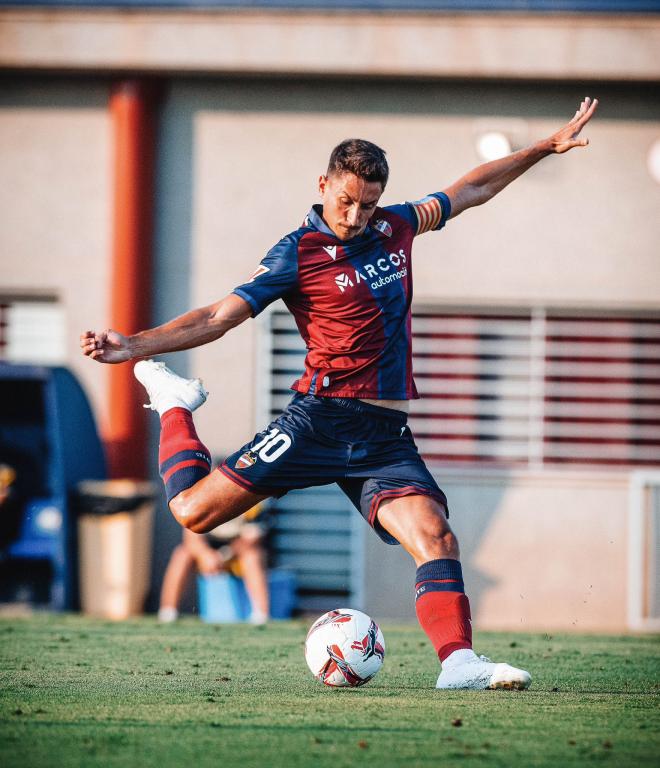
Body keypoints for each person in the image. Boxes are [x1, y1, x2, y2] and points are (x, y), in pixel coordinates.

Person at [81, 96, 598, 689]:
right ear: (323, 183)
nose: (354, 216)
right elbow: (218, 316)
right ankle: (174, 402)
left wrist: (539, 147)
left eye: (367, 203)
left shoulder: (397, 224)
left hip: (383, 436)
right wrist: (138, 347)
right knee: (192, 513)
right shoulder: (296, 253)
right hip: (318, 420)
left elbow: (470, 189)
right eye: (345, 200)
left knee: (436, 535)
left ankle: (459, 663)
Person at [158, 503, 269, 624]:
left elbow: (251, 540)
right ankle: (168, 611)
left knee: (252, 556)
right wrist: (205, 555)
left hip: (236, 551)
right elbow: (191, 538)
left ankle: (261, 614)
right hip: (208, 549)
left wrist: (223, 555)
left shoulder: (253, 501)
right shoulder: (201, 497)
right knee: (182, 554)